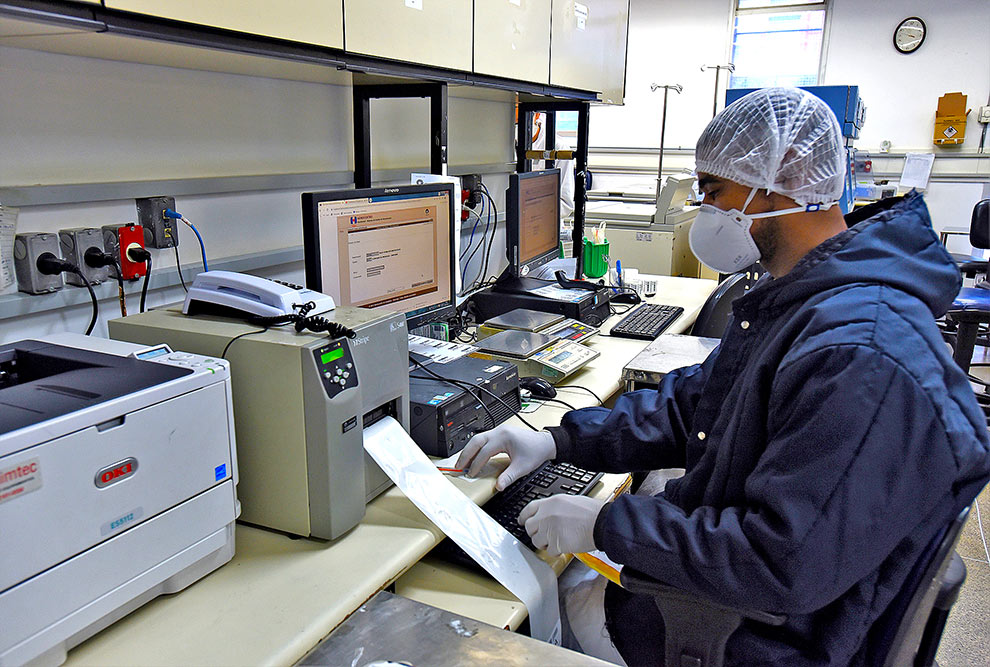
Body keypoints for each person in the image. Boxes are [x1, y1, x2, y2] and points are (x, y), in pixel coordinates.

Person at [456, 87, 990, 666]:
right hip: (757, 601)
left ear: (782, 180)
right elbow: (697, 406)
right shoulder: (808, 301)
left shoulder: (861, 354)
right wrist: (558, 438)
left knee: (537, 600)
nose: (704, 214)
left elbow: (779, 561)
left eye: (713, 192)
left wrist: (609, 523)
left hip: (765, 640)